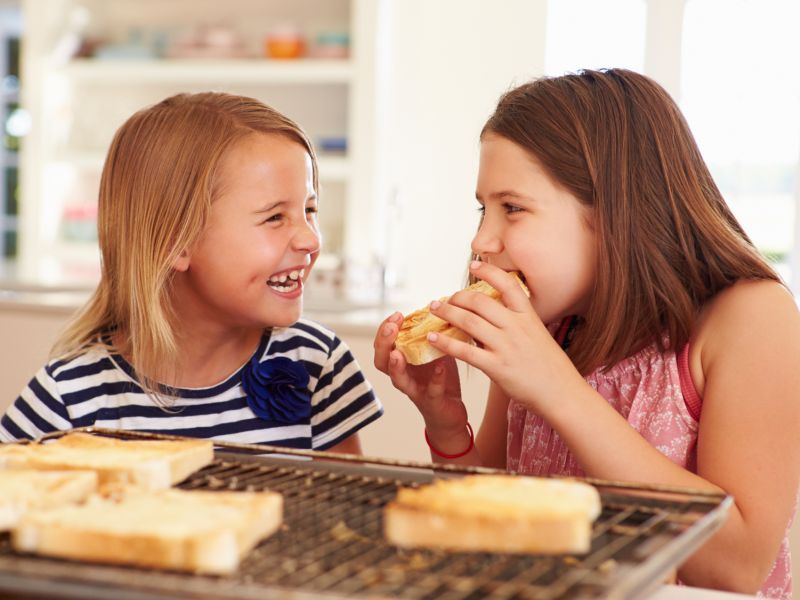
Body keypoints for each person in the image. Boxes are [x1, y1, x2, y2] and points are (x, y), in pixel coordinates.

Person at [374, 69, 800, 597]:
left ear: (616, 211)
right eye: (484, 209)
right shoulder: (544, 325)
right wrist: (447, 425)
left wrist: (558, 389)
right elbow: (490, 524)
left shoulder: (751, 317)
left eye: (513, 208)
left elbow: (732, 568)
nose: (482, 239)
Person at [0, 92, 382, 453]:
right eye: (274, 217)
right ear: (174, 242)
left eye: (309, 211)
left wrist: (444, 429)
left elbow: (353, 521)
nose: (310, 240)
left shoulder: (317, 362)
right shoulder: (70, 395)